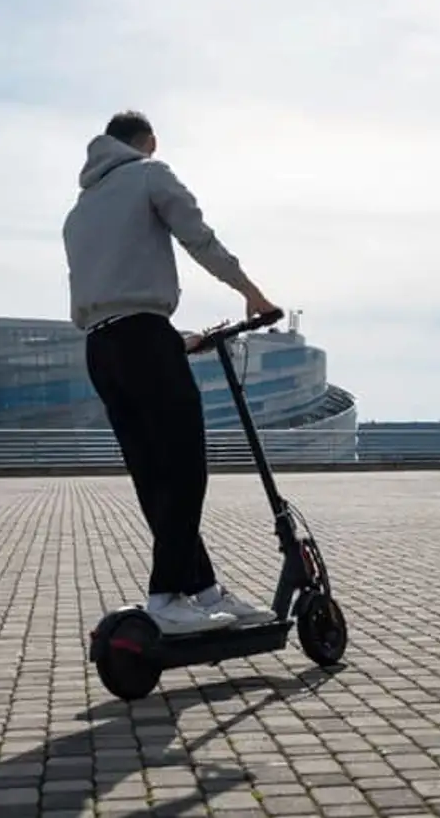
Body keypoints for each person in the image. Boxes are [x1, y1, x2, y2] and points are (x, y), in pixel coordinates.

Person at [62, 110, 281, 635]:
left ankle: (204, 591)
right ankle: (165, 596)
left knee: (154, 478)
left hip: (102, 349)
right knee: (185, 471)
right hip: (145, 340)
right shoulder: (149, 174)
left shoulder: (79, 211)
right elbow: (198, 238)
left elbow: (113, 291)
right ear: (149, 142)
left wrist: (177, 340)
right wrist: (253, 294)